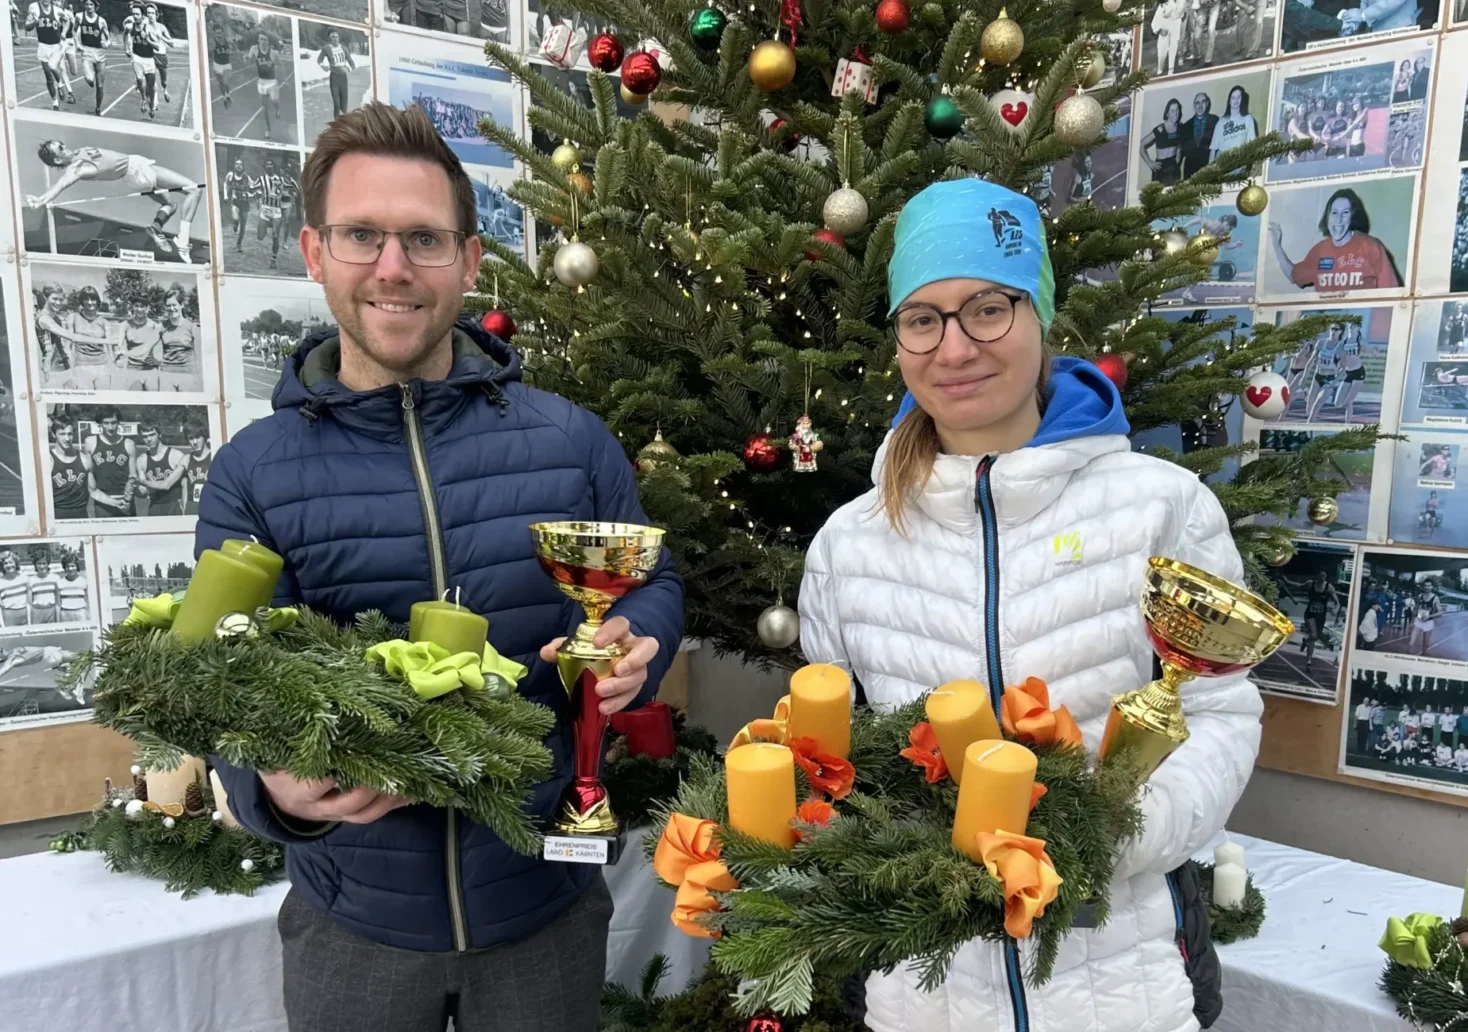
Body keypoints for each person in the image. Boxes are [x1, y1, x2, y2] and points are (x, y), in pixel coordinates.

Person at [197, 103, 684, 1032]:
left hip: (543, 909)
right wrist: (274, 792)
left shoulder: (570, 440)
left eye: (423, 239)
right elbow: (220, 677)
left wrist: (639, 645)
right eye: (362, 236)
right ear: (314, 252)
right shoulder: (252, 473)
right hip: (355, 925)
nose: (392, 267)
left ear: (468, 260)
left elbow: (650, 580)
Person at [799, 177, 1246, 1032]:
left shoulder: (1162, 508)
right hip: (926, 997)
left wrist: (1104, 844)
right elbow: (842, 758)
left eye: (988, 308)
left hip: (1121, 983)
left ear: (1040, 315)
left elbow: (1221, 713)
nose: (954, 347)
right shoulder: (849, 545)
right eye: (922, 319)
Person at [27, 139, 201, 263]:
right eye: (61, 148)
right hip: (136, 170)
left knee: (169, 205)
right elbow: (61, 184)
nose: (66, 147)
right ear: (58, 159)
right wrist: (41, 199)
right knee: (194, 189)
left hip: (133, 176)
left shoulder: (79, 152)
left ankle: (156, 227)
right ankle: (183, 240)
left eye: (62, 144)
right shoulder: (76, 168)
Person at [1267, 187, 1402, 293]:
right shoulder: (1319, 251)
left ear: (1353, 216)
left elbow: (1390, 293)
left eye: (1345, 213)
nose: (1338, 220)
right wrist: (1276, 244)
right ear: (1328, 216)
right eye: (1334, 213)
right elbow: (1293, 275)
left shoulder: (1371, 246)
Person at [25, 0, 77, 109]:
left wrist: (63, 33)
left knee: (54, 67)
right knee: (48, 77)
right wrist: (33, 22)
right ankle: (55, 102)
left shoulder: (57, 10)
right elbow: (27, 27)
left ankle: (60, 84)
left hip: (56, 46)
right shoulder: (33, 7)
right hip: (43, 46)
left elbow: (67, 21)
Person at [83, 409, 135, 517]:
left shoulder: (129, 444)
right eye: (106, 423)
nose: (110, 427)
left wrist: (127, 500)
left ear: (118, 422)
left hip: (125, 500)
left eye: (113, 423)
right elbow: (90, 479)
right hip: (103, 501)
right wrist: (110, 501)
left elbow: (132, 477)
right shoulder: (90, 442)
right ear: (100, 424)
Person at [251, 156, 296, 270]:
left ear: (274, 166)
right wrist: (254, 192)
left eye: (271, 164)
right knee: (260, 236)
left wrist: (292, 191)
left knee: (275, 236)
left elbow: (292, 187)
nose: (269, 166)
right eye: (267, 164)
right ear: (265, 167)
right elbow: (252, 187)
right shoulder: (261, 179)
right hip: (265, 210)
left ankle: (273, 259)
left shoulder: (280, 179)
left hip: (276, 211)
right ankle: (267, 224)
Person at [72, 0, 110, 117]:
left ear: (95, 6)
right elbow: (73, 30)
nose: (88, 7)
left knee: (99, 85)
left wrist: (107, 44)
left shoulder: (102, 21)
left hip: (99, 53)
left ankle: (98, 108)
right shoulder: (79, 17)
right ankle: (91, 77)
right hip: (86, 51)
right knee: (89, 79)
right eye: (87, 4)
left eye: (91, 5)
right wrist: (77, 43)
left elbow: (109, 39)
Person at [49, 421, 92, 521]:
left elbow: (93, 491)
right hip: (57, 514)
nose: (67, 439)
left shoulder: (85, 459)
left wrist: (115, 502)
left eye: (70, 434)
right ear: (53, 434)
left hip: (81, 514)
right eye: (62, 434)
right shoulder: (48, 460)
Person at [121, 1, 157, 117]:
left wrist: (147, 39)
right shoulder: (130, 26)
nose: (135, 17)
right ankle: (143, 99)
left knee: (151, 87)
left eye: (137, 14)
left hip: (149, 59)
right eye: (133, 14)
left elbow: (157, 46)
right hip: (137, 57)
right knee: (140, 80)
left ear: (143, 15)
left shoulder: (149, 28)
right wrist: (126, 47)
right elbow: (125, 34)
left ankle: (151, 106)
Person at [247, 31, 283, 140]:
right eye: (261, 39)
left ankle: (277, 109)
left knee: (274, 100)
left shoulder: (273, 53)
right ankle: (268, 129)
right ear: (258, 40)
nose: (263, 41)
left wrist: (285, 79)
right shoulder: (254, 49)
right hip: (261, 83)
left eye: (265, 40)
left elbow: (281, 65)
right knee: (265, 109)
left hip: (272, 82)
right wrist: (246, 58)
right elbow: (249, 60)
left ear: (268, 41)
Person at [1140, 97, 1184, 184]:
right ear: (1167, 113)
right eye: (1172, 111)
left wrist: (1178, 156)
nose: (1175, 113)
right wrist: (1149, 163)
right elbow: (1142, 144)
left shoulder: (1180, 128)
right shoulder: (1160, 129)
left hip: (1173, 168)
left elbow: (1179, 145)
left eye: (1177, 110)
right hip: (1160, 169)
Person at [158, 289, 197, 388]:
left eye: (174, 305)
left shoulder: (191, 327)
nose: (171, 308)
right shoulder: (161, 327)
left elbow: (199, 355)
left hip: (187, 374)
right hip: (166, 374)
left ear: (181, 305)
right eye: (168, 305)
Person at [317, 29, 355, 119]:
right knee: (336, 103)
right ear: (330, 39)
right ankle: (336, 121)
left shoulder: (343, 49)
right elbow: (319, 59)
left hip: (343, 78)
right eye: (333, 37)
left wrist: (348, 69)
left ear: (339, 38)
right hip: (334, 77)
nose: (335, 39)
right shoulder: (327, 48)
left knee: (344, 103)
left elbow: (352, 63)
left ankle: (344, 122)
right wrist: (323, 66)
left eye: (336, 37)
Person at [1211, 85, 1257, 159]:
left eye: (1239, 97)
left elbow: (1251, 145)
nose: (1236, 100)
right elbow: (1213, 150)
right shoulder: (1221, 122)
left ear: (1242, 99)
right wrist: (1210, 169)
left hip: (1239, 161)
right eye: (1233, 97)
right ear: (1229, 101)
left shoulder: (1248, 119)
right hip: (1221, 161)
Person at [1180, 91, 1218, 178]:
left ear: (1207, 104)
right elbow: (1183, 149)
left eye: (1203, 102)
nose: (1200, 106)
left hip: (1209, 168)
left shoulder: (1215, 121)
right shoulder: (1185, 126)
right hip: (1190, 172)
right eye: (1197, 103)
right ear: (1194, 105)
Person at [143, 4, 173, 105]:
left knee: (163, 81)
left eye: (152, 13)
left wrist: (162, 37)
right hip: (150, 57)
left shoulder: (161, 27)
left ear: (156, 15)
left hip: (161, 56)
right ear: (146, 15)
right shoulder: (144, 27)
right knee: (151, 82)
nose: (150, 15)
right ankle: (153, 102)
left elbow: (171, 43)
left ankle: (165, 90)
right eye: (148, 13)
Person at [222, 157, 251, 252]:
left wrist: (252, 193)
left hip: (245, 203)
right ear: (234, 166)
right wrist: (226, 195)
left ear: (243, 166)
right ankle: (235, 225)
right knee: (235, 219)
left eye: (240, 164)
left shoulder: (246, 177)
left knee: (243, 226)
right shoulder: (230, 175)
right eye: (237, 164)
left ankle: (239, 244)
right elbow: (225, 184)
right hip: (235, 201)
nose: (238, 166)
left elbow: (253, 186)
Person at [182, 423, 210, 516]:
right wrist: (185, 509)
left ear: (204, 437)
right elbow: (184, 486)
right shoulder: (186, 459)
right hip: (192, 506)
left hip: (210, 505)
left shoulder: (215, 456)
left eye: (197, 437)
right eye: (191, 438)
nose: (194, 442)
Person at [0, 551, 30, 627]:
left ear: (16, 563)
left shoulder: (25, 578)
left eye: (11, 562)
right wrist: (2, 624)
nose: (9, 565)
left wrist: (30, 621)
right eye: (5, 563)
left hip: (25, 615)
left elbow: (29, 602)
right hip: (9, 617)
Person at [58, 553, 89, 623]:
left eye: (73, 566)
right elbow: (58, 603)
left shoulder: (84, 581)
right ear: (64, 568)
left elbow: (89, 602)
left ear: (77, 566)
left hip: (80, 613)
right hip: (64, 614)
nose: (70, 568)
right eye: (67, 566)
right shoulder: (60, 582)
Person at [210, 21, 233, 108]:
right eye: (217, 33)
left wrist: (234, 49)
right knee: (221, 84)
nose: (218, 35)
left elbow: (234, 45)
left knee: (225, 82)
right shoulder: (213, 41)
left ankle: (228, 95)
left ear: (222, 32)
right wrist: (211, 51)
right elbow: (210, 51)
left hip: (226, 65)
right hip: (217, 65)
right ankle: (225, 97)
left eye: (220, 33)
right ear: (214, 33)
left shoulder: (227, 40)